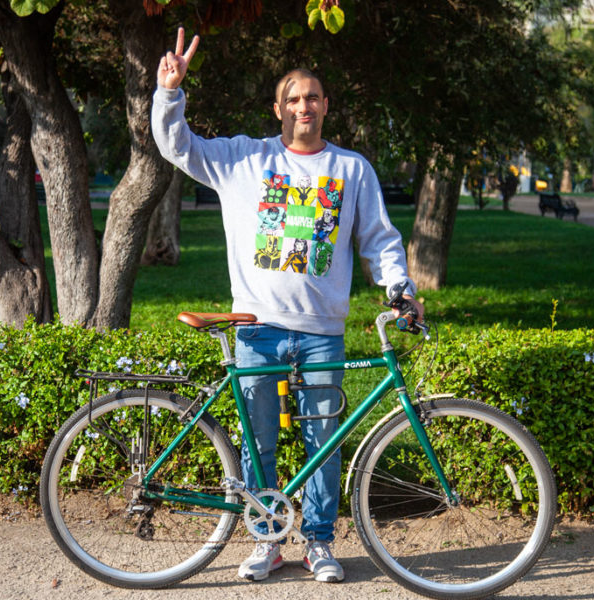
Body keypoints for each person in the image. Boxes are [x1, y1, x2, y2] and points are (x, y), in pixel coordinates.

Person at [152, 28, 423, 585]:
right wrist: (170, 93)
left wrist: (400, 288)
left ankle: (319, 543)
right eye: (294, 98)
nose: (304, 106)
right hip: (257, 327)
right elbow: (177, 146)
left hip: (322, 329)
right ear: (277, 108)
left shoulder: (352, 170)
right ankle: (266, 539)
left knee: (323, 443)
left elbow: (380, 239)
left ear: (326, 106)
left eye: (313, 97)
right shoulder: (242, 160)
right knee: (261, 441)